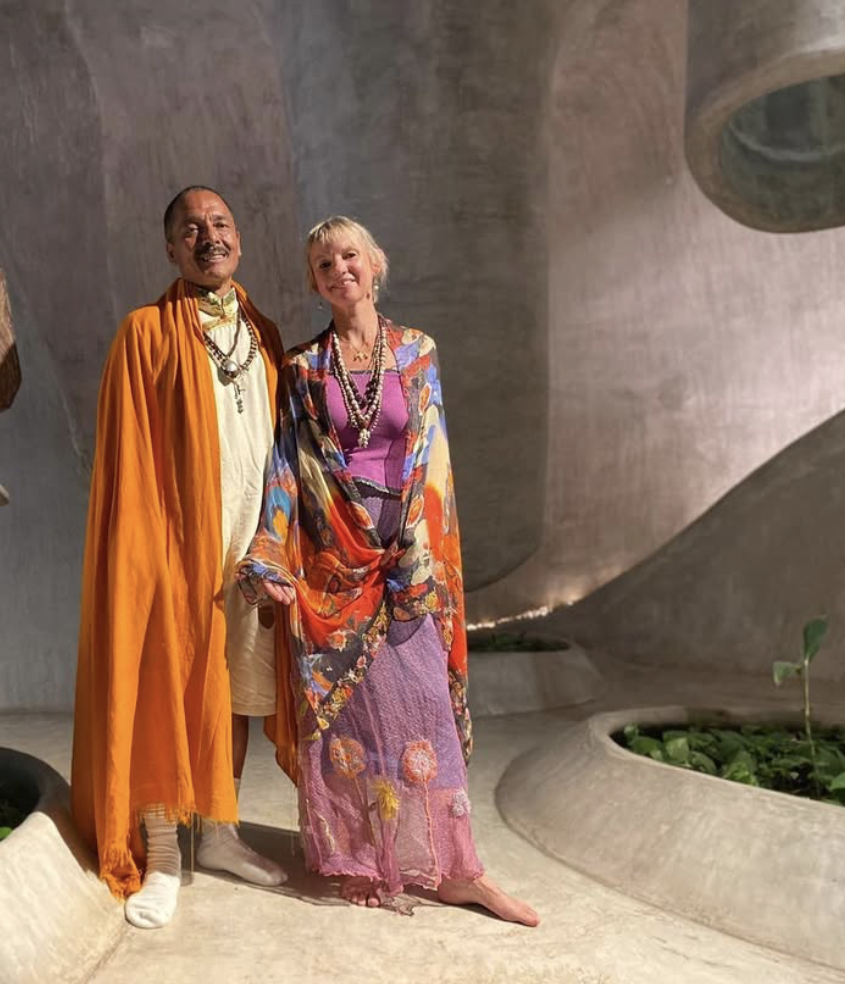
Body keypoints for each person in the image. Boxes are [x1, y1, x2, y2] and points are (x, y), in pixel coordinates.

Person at [236, 215, 539, 924]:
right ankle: (370, 861)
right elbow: (287, 465)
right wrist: (266, 552)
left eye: (349, 255)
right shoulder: (305, 369)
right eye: (321, 263)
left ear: (376, 264)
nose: (338, 268)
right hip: (337, 568)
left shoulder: (417, 351)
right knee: (357, 722)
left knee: (426, 708)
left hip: (409, 561)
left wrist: (416, 553)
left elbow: (431, 454)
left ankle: (460, 870)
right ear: (314, 282)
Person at [71, 187, 290, 930]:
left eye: (221, 223)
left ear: (239, 239)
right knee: (167, 685)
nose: (209, 236)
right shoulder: (144, 333)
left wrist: (275, 540)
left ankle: (220, 835)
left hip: (247, 549)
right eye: (190, 229)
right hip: (172, 548)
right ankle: (164, 851)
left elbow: (284, 457)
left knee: (234, 693)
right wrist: (150, 557)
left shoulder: (265, 333)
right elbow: (129, 459)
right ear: (170, 249)